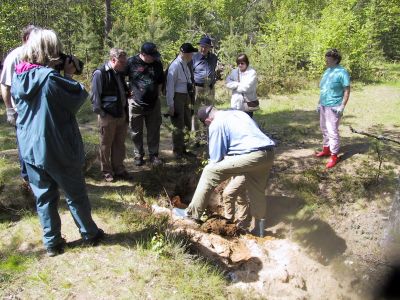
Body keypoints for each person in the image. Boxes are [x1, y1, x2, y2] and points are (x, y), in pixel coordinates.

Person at [11, 28, 104, 256]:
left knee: (44, 196)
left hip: (30, 147)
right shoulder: (50, 78)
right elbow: (77, 97)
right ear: (50, 51)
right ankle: (90, 233)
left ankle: (52, 243)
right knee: (75, 193)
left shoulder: (19, 75)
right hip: (55, 146)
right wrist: (69, 74)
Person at [173, 106, 275, 236]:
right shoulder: (239, 114)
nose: (207, 126)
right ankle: (259, 230)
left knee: (209, 171)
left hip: (251, 154)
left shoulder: (216, 123)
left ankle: (191, 215)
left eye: (205, 124)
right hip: (268, 153)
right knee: (257, 191)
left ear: (208, 120)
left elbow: (215, 158)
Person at [0, 25, 36, 187]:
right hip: (21, 111)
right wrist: (9, 110)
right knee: (25, 145)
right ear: (26, 39)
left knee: (38, 144)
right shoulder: (15, 56)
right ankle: (27, 181)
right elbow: (5, 85)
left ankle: (39, 177)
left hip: (38, 111)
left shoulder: (39, 56)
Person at [91, 48, 132, 182]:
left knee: (120, 143)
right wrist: (102, 114)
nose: (124, 64)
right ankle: (106, 171)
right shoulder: (100, 73)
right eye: (122, 62)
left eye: (125, 61)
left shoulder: (119, 73)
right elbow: (95, 98)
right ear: (113, 60)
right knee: (105, 144)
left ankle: (119, 168)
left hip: (121, 113)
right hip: (107, 116)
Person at [126, 42, 164, 166]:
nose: (154, 57)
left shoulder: (157, 63)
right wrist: (127, 91)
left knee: (154, 130)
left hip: (153, 103)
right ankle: (138, 155)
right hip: (135, 103)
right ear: (143, 54)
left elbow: (160, 82)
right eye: (151, 55)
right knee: (136, 131)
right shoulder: (131, 62)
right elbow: (120, 76)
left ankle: (154, 155)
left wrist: (157, 95)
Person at [316, 48, 350, 168]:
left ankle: (334, 156)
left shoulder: (342, 72)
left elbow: (347, 90)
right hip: (324, 104)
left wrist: (342, 106)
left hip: (334, 106)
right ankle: (326, 150)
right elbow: (323, 88)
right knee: (324, 128)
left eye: (328, 60)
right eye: (326, 59)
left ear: (336, 60)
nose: (326, 62)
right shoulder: (327, 71)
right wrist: (319, 103)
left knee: (332, 131)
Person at [165, 43, 198, 159]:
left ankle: (185, 149)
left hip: (186, 95)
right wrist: (171, 104)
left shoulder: (185, 64)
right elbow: (170, 87)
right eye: (191, 53)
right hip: (177, 96)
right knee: (178, 124)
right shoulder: (174, 66)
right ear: (184, 53)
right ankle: (177, 151)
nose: (192, 55)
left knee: (187, 122)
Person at [190, 36, 218, 129]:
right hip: (197, 88)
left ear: (209, 48)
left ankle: (208, 133)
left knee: (210, 110)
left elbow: (213, 70)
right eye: (201, 46)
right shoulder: (194, 57)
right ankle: (197, 136)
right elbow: (190, 72)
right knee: (196, 111)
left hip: (210, 88)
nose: (203, 48)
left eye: (206, 46)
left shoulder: (214, 58)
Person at [225, 53, 258, 118]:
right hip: (236, 103)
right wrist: (238, 84)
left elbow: (245, 88)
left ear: (246, 63)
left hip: (248, 103)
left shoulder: (252, 73)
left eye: (242, 63)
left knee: (247, 123)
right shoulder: (234, 72)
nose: (240, 65)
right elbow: (227, 84)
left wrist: (234, 86)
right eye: (238, 63)